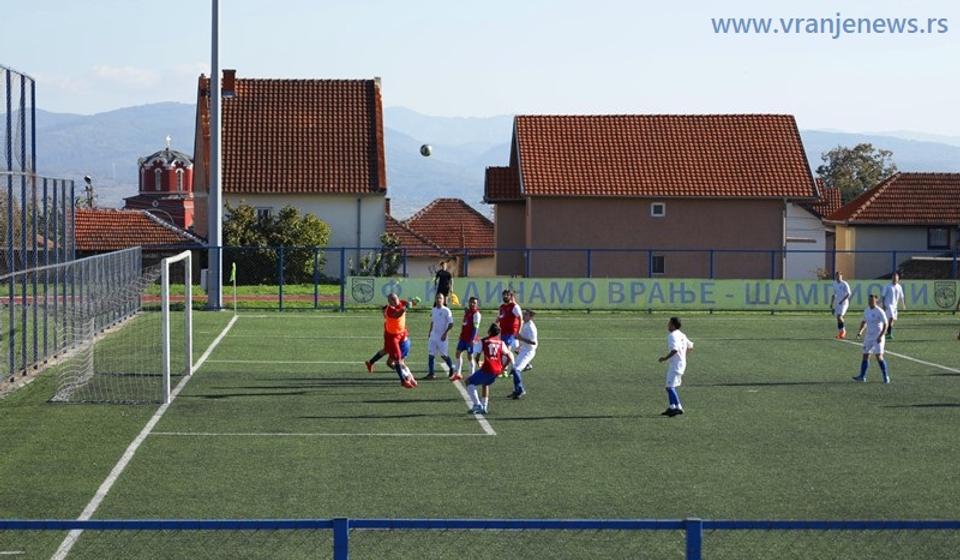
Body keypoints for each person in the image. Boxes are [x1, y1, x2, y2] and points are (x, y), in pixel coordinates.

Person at [366, 293, 419, 389]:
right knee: (397, 358)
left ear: (398, 298)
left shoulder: (401, 302)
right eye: (392, 300)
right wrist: (405, 307)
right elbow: (397, 315)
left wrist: (413, 302)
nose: (394, 301)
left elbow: (409, 304)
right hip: (392, 336)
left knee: (386, 351)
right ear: (389, 302)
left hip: (401, 333)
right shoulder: (390, 310)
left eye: (395, 299)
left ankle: (370, 362)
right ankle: (403, 380)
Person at [465, 323, 515, 415]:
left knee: (468, 382)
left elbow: (476, 355)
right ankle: (484, 406)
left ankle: (477, 405)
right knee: (485, 384)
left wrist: (478, 363)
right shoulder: (501, 342)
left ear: (489, 331)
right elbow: (509, 356)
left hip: (488, 368)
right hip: (497, 370)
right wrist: (503, 368)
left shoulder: (484, 341)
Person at [658, 316, 694, 417]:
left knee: (670, 387)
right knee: (669, 386)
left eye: (669, 323)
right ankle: (672, 407)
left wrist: (664, 358)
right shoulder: (682, 334)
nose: (667, 325)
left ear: (673, 325)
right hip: (680, 364)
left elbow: (675, 350)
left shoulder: (672, 335)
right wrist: (683, 356)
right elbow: (691, 346)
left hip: (676, 365)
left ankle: (679, 407)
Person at [853, 294, 890, 384]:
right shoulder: (867, 310)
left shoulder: (880, 311)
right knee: (865, 355)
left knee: (879, 356)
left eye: (872, 301)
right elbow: (864, 322)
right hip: (868, 337)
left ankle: (886, 376)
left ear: (876, 301)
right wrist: (860, 332)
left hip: (878, 337)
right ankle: (862, 376)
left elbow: (886, 324)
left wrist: (881, 336)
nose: (870, 302)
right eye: (869, 301)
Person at [507, 309, 538, 399]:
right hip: (524, 349)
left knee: (516, 370)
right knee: (514, 369)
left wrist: (520, 338)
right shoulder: (524, 323)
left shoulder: (531, 327)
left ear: (530, 317)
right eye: (523, 313)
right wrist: (520, 346)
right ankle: (516, 390)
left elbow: (533, 342)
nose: (523, 315)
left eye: (526, 314)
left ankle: (520, 390)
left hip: (529, 351)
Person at [424, 293, 455, 381]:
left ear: (443, 300)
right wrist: (430, 332)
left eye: (440, 298)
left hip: (442, 337)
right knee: (431, 355)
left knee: (443, 355)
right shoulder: (433, 310)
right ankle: (431, 373)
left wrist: (445, 333)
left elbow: (451, 323)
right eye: (437, 298)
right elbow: (433, 322)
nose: (438, 300)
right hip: (433, 336)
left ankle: (451, 368)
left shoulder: (446, 310)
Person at [454, 297, 482, 380]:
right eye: (471, 302)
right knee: (458, 353)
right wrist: (461, 334)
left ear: (477, 304)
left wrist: (473, 339)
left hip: (470, 339)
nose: (472, 304)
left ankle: (472, 374)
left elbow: (476, 328)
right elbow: (465, 324)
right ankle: (458, 373)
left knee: (470, 356)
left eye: (474, 303)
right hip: (463, 338)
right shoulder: (468, 312)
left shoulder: (476, 314)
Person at [881, 272, 906, 339]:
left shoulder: (899, 287)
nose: (894, 279)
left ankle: (887, 331)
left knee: (893, 319)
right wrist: (883, 305)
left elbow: (902, 296)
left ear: (898, 279)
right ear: (891, 278)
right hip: (888, 305)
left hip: (895, 306)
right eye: (893, 278)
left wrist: (903, 304)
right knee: (891, 318)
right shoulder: (887, 286)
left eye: (896, 278)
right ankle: (889, 333)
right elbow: (883, 296)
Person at [829, 271, 852, 339]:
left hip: (844, 303)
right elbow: (834, 294)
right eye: (837, 276)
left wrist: (842, 301)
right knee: (838, 318)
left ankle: (843, 331)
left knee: (839, 316)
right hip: (837, 303)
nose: (838, 277)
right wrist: (831, 304)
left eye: (839, 276)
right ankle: (840, 332)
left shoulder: (844, 283)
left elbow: (849, 294)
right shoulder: (834, 283)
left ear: (841, 276)